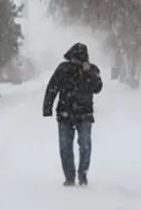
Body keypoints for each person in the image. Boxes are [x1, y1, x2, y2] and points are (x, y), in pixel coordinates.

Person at [43, 42, 103, 186]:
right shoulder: (63, 69)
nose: (77, 61)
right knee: (65, 146)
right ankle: (69, 177)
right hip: (65, 113)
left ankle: (83, 175)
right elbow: (53, 87)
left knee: (85, 144)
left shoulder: (92, 69)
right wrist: (47, 107)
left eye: (81, 58)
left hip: (85, 114)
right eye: (75, 57)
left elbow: (98, 88)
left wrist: (89, 72)